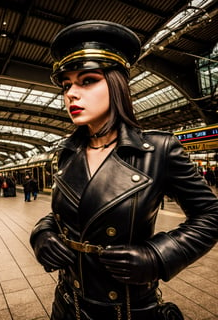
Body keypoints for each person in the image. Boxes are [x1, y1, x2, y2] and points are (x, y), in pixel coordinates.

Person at [29, 21, 218, 320]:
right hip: (67, 304)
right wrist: (42, 233)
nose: (71, 94)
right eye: (66, 85)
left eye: (87, 80)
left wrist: (158, 256)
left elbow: (211, 215)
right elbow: (70, 212)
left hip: (127, 309)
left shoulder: (158, 150)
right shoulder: (66, 154)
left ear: (117, 84)